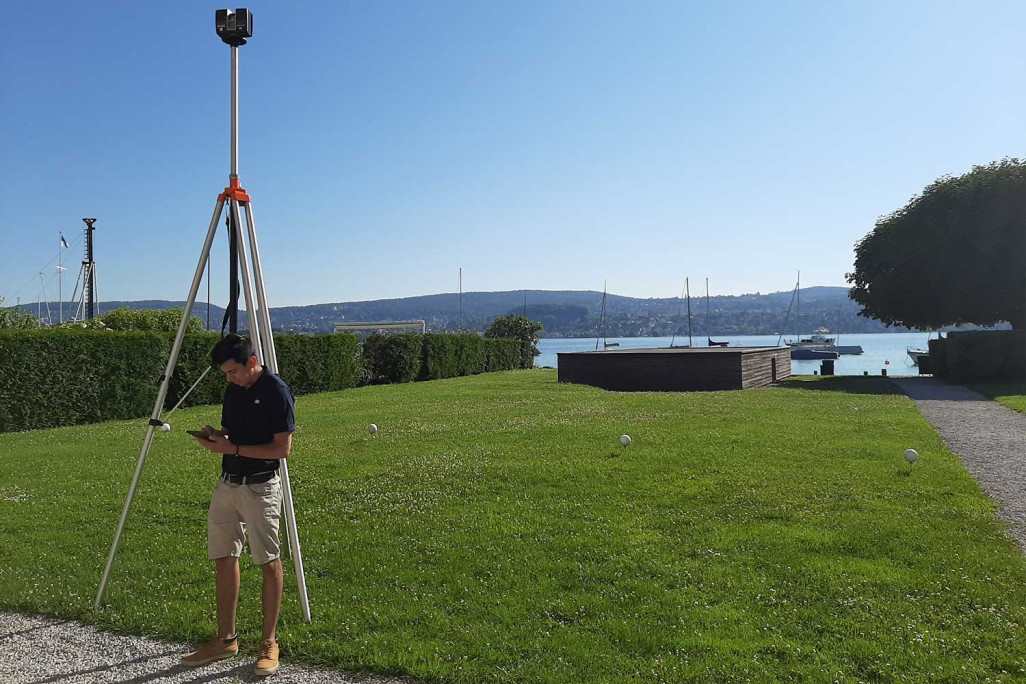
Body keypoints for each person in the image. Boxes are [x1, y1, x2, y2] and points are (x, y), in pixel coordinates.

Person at [180, 334, 295, 677]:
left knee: (268, 561)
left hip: (260, 487)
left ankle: (268, 643)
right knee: (223, 558)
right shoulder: (233, 390)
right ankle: (226, 639)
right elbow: (231, 434)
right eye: (225, 374)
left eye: (233, 372)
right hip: (227, 484)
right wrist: (216, 436)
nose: (229, 378)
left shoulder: (277, 392)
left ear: (253, 362)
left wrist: (232, 450)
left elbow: (282, 450)